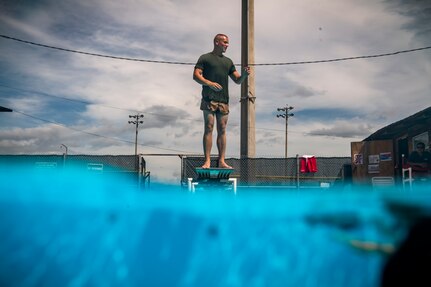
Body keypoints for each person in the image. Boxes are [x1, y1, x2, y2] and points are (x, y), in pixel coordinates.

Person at [193, 33, 250, 169]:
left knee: (222, 129)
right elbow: (195, 76)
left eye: (228, 43)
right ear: (217, 42)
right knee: (209, 127)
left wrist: (244, 75)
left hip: (223, 100)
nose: (227, 45)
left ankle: (222, 161)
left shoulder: (228, 61)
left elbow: (237, 80)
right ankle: (207, 161)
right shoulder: (205, 58)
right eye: (225, 42)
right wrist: (209, 83)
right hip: (209, 99)